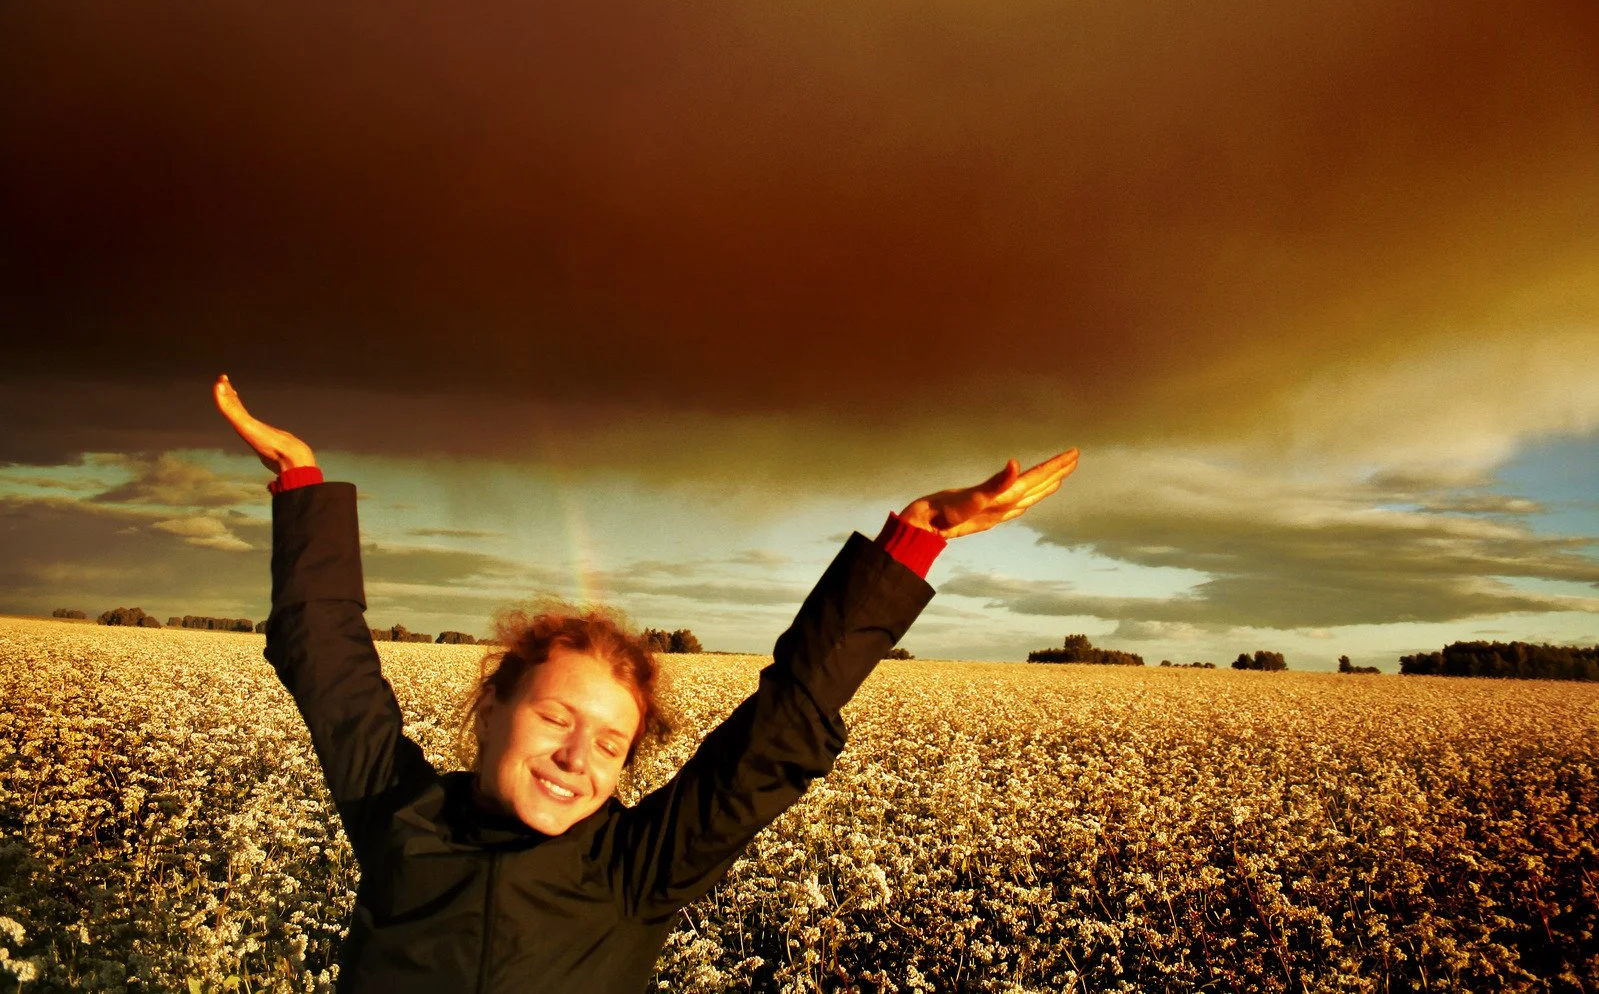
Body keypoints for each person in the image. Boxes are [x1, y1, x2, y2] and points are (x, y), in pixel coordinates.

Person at [213, 372, 1078, 993]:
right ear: (494, 709)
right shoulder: (400, 818)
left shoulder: (633, 871)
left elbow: (777, 732)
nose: (575, 756)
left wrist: (914, 538)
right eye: (556, 714)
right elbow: (329, 663)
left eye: (609, 743)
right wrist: (303, 485)